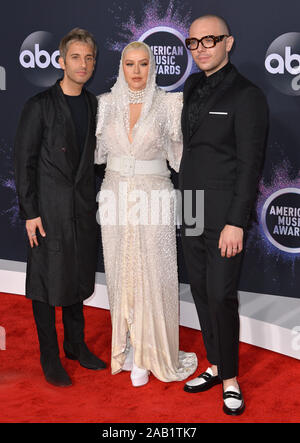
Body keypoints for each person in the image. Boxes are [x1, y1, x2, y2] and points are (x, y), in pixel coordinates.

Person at [179, 15, 268, 415]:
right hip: (191, 207)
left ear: (228, 42)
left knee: (221, 295)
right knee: (199, 291)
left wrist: (236, 221)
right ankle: (215, 363)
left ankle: (230, 378)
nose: (200, 48)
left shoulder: (247, 96)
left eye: (209, 40)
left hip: (224, 216)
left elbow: (250, 165)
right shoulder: (191, 85)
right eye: (193, 42)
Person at [95, 41, 197, 387]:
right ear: (120, 67)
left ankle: (149, 354)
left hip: (154, 197)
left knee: (154, 273)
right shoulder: (104, 106)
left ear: (152, 67)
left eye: (142, 64)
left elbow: (182, 157)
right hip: (114, 196)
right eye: (129, 64)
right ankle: (127, 347)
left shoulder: (170, 104)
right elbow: (95, 155)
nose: (136, 71)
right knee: (122, 272)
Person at [14, 28, 106, 387]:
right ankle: (50, 357)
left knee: (77, 279)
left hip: (83, 212)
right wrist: (30, 213)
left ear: (94, 63)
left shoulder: (94, 105)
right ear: (61, 60)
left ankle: (76, 346)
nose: (82, 65)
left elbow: (96, 161)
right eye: (75, 57)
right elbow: (25, 163)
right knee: (45, 284)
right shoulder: (39, 106)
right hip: (47, 213)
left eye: (88, 58)